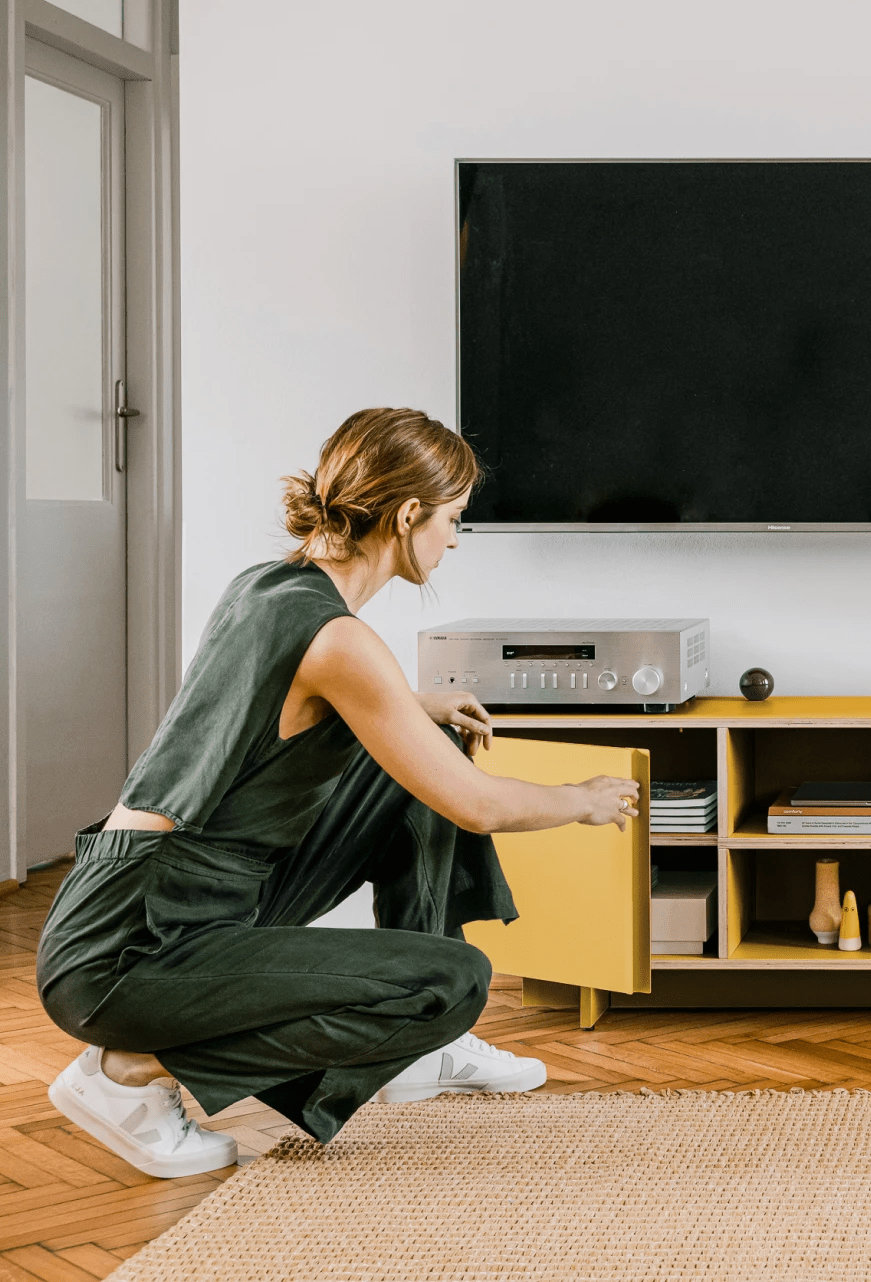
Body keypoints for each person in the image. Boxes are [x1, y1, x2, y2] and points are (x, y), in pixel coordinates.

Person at [35, 408, 640, 1177]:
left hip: (164, 893)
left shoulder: (268, 586)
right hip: (130, 950)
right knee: (450, 984)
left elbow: (271, 707)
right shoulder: (341, 642)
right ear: (410, 514)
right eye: (453, 520)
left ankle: (427, 1056)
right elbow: (476, 805)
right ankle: (131, 1072)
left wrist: (415, 708)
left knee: (428, 754)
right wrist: (583, 798)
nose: (454, 540)